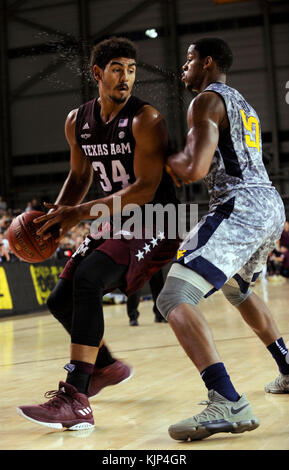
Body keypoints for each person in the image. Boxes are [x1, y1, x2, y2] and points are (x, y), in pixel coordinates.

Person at [17, 37, 179, 431]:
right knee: (60, 300)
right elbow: (79, 175)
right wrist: (57, 216)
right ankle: (104, 367)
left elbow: (143, 189)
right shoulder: (78, 120)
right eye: (117, 69)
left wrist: (80, 213)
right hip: (116, 219)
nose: (126, 77)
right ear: (97, 74)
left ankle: (77, 398)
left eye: (131, 70)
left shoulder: (146, 120)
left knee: (88, 281)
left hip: (156, 218)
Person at [157, 37, 289, 442]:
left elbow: (195, 168)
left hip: (240, 205)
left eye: (190, 59)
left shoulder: (206, 101)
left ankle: (226, 398)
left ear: (207, 63)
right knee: (239, 290)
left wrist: (160, 156)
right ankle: (287, 366)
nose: (184, 67)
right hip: (270, 204)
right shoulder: (241, 103)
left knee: (173, 297)